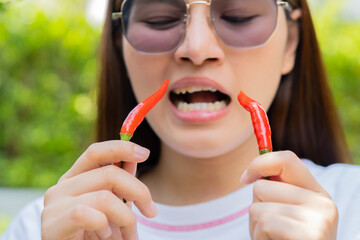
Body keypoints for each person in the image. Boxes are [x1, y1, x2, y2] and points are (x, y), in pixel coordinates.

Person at [2, 0, 360, 239]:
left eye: (239, 16)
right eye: (160, 19)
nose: (197, 49)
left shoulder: (351, 205)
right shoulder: (43, 227)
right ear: (119, 44)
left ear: (291, 43)